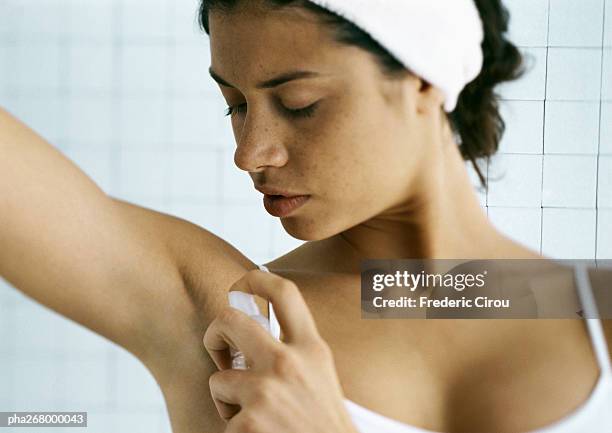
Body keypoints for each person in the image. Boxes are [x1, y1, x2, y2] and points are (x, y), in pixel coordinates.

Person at [0, 0, 610, 432]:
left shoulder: (595, 313)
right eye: (234, 105)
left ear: (423, 76)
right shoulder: (232, 318)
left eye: (300, 104)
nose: (250, 153)